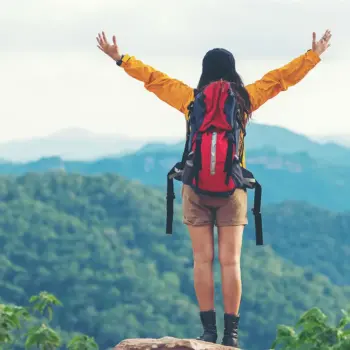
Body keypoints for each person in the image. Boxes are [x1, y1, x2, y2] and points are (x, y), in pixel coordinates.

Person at [96, 29, 332, 347]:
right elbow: (280, 79)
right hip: (232, 190)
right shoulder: (245, 100)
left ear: (204, 72)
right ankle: (230, 335)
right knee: (230, 262)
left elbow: (154, 79)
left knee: (202, 261)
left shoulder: (192, 100)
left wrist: (120, 58)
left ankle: (208, 331)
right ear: (233, 71)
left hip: (195, 189)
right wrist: (313, 55)